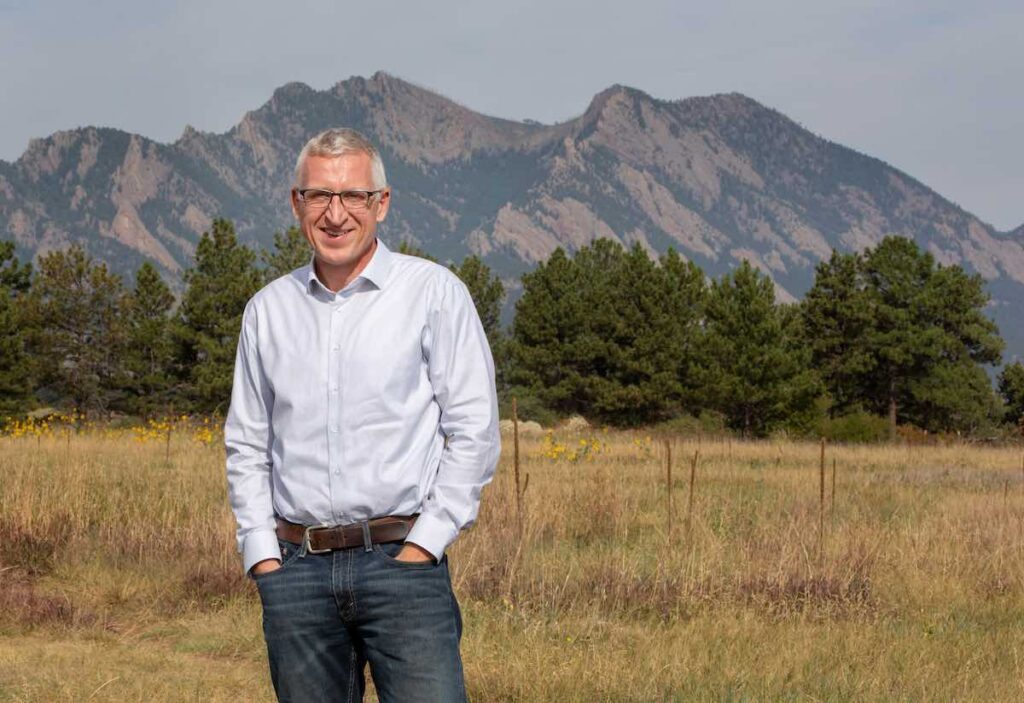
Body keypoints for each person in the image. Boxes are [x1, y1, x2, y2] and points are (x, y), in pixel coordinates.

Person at [224, 127, 500, 702]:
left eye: (352, 196)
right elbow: (247, 444)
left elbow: (473, 430)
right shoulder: (267, 311)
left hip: (403, 567)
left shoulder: (434, 294)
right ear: (296, 203)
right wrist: (263, 560)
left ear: (382, 203)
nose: (335, 213)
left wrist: (427, 544)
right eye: (320, 195)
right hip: (296, 572)